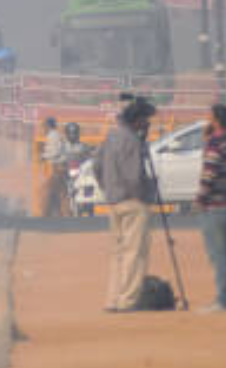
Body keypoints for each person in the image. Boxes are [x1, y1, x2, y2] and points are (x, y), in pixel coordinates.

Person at [94, 97, 156, 312]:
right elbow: (135, 176)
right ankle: (128, 300)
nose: (147, 124)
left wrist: (107, 188)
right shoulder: (131, 140)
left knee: (117, 253)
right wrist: (142, 195)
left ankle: (112, 300)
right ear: (138, 120)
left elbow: (96, 165)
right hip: (133, 202)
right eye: (145, 120)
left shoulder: (111, 137)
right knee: (134, 253)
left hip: (113, 201)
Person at [196, 103, 226, 312]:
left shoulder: (216, 142)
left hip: (216, 205)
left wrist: (201, 197)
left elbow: (209, 173)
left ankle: (223, 300)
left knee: (218, 255)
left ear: (215, 120)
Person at [41, 117, 68, 216]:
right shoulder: (55, 135)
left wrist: (43, 156)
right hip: (59, 168)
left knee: (49, 191)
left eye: (44, 126)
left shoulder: (53, 136)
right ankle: (59, 213)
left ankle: (47, 214)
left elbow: (55, 152)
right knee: (58, 192)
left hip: (59, 168)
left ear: (48, 126)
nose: (43, 129)